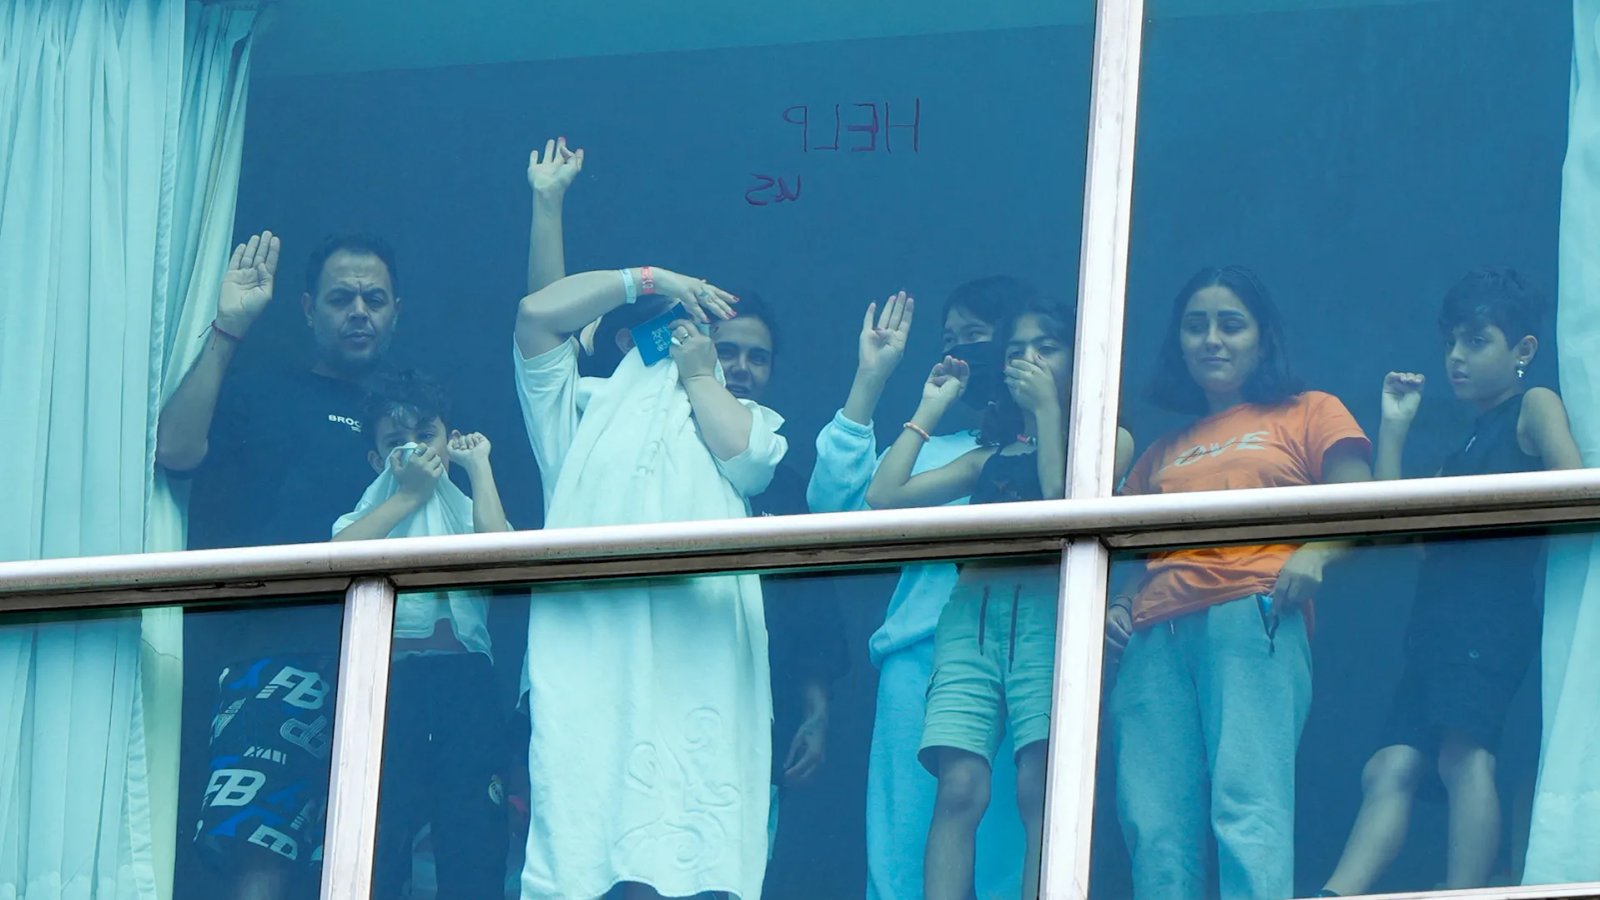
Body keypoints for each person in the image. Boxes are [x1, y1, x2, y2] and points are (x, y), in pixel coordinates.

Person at [514, 148, 785, 895]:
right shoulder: (583, 413)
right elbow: (539, 317)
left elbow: (747, 458)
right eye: (701, 334)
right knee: (592, 855)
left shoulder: (751, 419)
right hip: (595, 656)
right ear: (622, 340)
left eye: (750, 354)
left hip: (700, 656)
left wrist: (701, 376)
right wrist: (653, 281)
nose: (726, 357)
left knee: (698, 858)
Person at [1105, 265, 1373, 900]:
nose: (1211, 340)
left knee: (1246, 802)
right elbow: (1119, 543)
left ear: (1262, 337)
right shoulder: (1162, 449)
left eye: (1231, 324)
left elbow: (1367, 503)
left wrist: (1317, 552)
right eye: (1195, 326)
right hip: (1152, 634)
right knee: (1154, 820)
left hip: (1250, 612)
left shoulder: (1310, 411)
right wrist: (1115, 601)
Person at [157, 231, 405, 898]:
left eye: (374, 299)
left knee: (375, 862)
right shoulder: (262, 394)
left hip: (390, 659)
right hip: (274, 654)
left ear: (396, 312)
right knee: (258, 864)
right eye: (341, 298)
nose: (359, 311)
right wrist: (228, 329)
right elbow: (175, 451)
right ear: (307, 309)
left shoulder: (410, 417)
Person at [1319, 268, 1581, 896]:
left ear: (1522, 351)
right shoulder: (1459, 446)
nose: (1456, 358)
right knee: (1389, 764)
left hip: (1492, 616)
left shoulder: (1533, 406)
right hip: (1435, 628)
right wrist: (1395, 427)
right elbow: (1392, 531)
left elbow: (1576, 488)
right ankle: (1334, 892)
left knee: (1463, 752)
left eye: (1476, 341)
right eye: (1450, 343)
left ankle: (1465, 891)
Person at [868, 299, 1133, 900]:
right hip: (969, 619)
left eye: (1047, 348)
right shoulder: (987, 456)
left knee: (1040, 785)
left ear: (1078, 359)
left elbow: (1062, 507)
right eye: (1017, 350)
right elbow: (884, 494)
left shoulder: (1107, 440)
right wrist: (930, 406)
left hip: (1048, 618)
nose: (1029, 360)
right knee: (959, 786)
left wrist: (1046, 410)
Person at [807, 278, 1035, 900]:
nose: (962, 353)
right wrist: (871, 378)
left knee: (1015, 841)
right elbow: (834, 509)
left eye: (978, 339)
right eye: (950, 340)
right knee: (908, 840)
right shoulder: (932, 449)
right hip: (920, 653)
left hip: (1027, 650)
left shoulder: (1057, 453)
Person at [331, 369, 513, 899]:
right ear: (375, 457)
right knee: (383, 825)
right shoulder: (373, 505)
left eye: (426, 435)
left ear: (448, 439)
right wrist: (408, 497)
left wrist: (478, 468)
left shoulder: (464, 507)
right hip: (392, 683)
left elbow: (501, 556)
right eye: (395, 441)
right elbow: (339, 554)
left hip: (466, 682)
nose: (413, 449)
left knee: (473, 823)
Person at [712, 293, 851, 855]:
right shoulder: (655, 461)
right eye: (727, 353)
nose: (742, 369)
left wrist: (817, 714)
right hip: (662, 692)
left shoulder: (784, 483)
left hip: (759, 709)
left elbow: (811, 611)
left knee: (740, 866)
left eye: (757, 357)